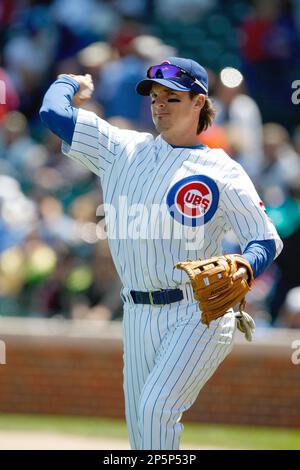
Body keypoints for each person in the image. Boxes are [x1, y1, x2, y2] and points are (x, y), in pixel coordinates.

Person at [40, 57, 283, 450]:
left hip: (198, 311)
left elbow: (266, 239)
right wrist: (70, 80)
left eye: (172, 97)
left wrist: (244, 264)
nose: (160, 105)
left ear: (199, 102)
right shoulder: (121, 148)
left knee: (156, 409)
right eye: (155, 97)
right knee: (143, 435)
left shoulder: (222, 170)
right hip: (135, 312)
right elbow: (52, 112)